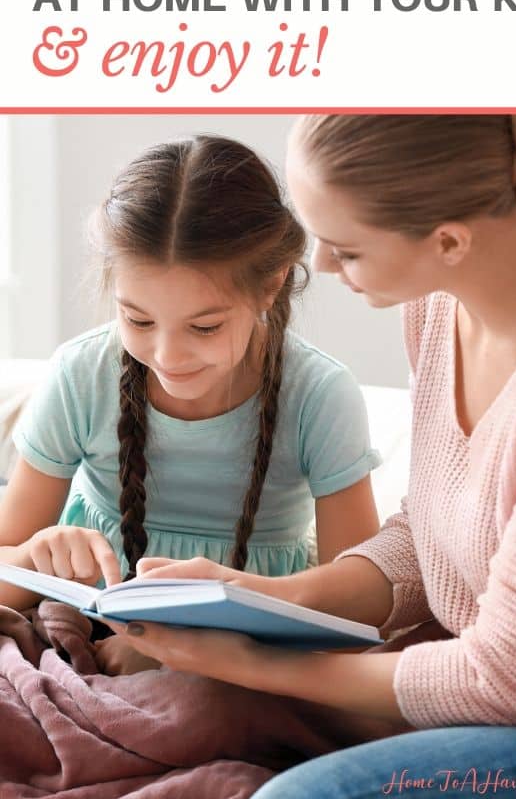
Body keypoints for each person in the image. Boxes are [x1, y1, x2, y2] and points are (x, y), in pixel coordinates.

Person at [110, 115, 516, 799]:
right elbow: (433, 531)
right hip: (492, 672)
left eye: (347, 248)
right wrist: (258, 597)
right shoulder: (437, 304)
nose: (325, 267)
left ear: (449, 240)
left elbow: (511, 677)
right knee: (186, 710)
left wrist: (255, 664)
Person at [0, 133, 381, 675]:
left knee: (202, 714)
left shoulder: (319, 395)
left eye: (204, 326)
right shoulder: (81, 374)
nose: (167, 354)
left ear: (270, 287)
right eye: (138, 319)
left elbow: (356, 612)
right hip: (77, 618)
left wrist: (178, 646)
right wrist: (34, 557)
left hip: (244, 645)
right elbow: (8, 560)